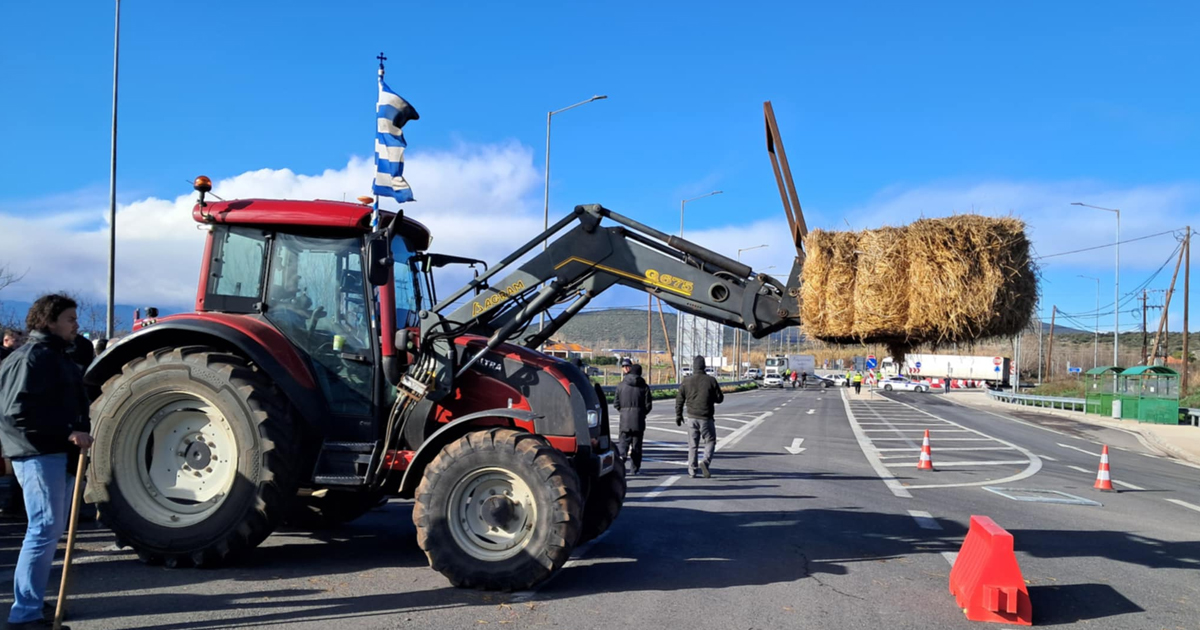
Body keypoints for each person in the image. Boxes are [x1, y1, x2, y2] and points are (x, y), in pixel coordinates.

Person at [0, 294, 93, 630]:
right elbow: (15, 412)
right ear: (49, 321)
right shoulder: (31, 357)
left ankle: (33, 601)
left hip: (56, 453)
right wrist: (68, 432)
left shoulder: (57, 356)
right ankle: (24, 614)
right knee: (43, 528)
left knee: (50, 529)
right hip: (38, 453)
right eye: (70, 319)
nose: (76, 325)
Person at [675, 355, 724, 479]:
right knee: (710, 441)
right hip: (706, 417)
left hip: (691, 417)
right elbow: (719, 398)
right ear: (704, 366)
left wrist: (678, 415)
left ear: (694, 366)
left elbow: (679, 399)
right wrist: (710, 397)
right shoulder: (711, 381)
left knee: (693, 445)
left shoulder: (686, 381)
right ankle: (705, 462)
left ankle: (692, 470)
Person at [614, 364, 651, 475]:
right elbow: (648, 405)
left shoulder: (621, 385)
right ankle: (635, 469)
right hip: (638, 420)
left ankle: (621, 462)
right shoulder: (644, 387)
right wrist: (641, 413)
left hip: (625, 420)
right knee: (637, 446)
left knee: (623, 443)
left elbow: (616, 403)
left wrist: (623, 411)